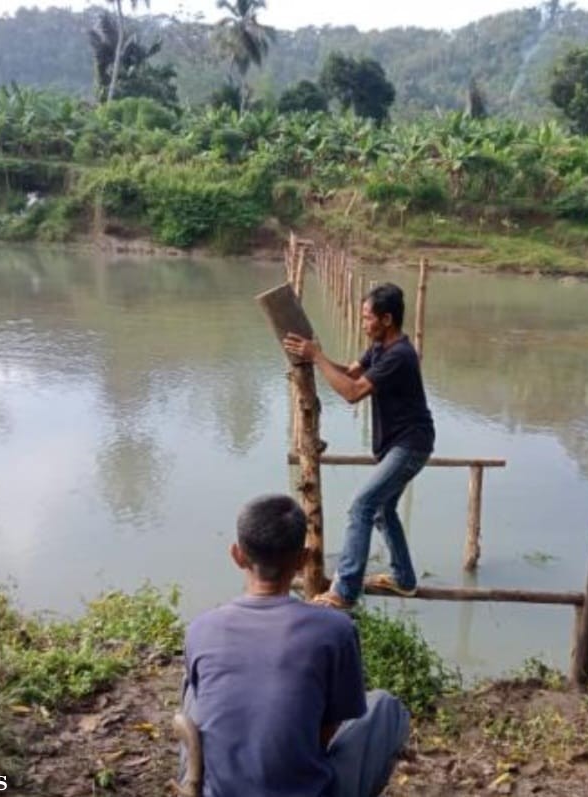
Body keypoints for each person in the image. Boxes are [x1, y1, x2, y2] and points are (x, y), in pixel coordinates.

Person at [179, 494, 411, 797]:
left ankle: (195, 780)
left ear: (237, 555)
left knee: (193, 693)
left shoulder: (200, 628)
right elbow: (327, 731)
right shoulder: (335, 629)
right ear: (303, 560)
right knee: (386, 707)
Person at [283, 282, 434, 609]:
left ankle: (344, 591)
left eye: (367, 318)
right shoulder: (380, 348)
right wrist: (316, 357)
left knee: (361, 505)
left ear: (387, 319)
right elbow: (350, 374)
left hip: (411, 444)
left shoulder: (399, 355)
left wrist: (316, 356)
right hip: (400, 444)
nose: (363, 323)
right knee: (382, 510)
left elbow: (352, 393)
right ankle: (404, 579)